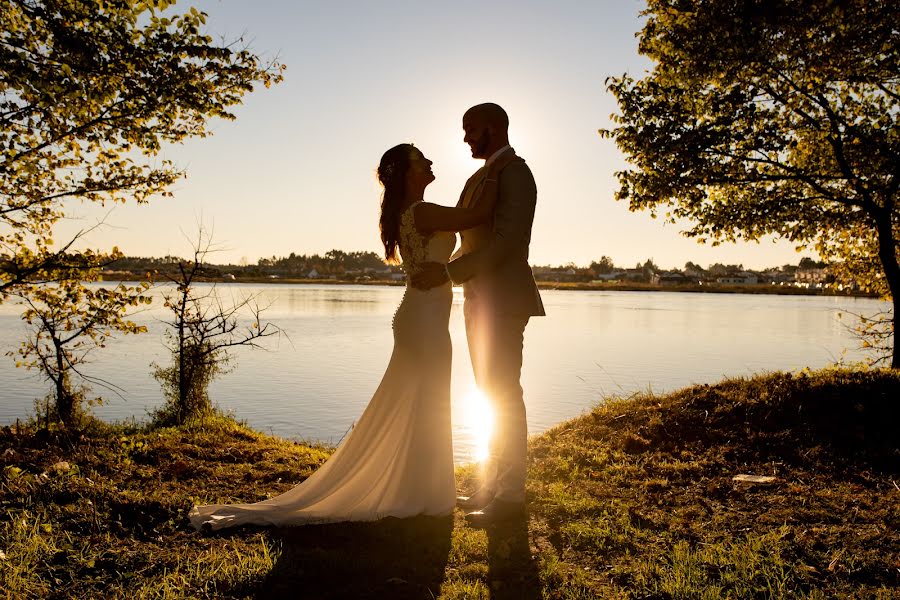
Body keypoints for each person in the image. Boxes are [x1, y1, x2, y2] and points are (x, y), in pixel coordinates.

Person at [189, 143, 512, 531]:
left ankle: (424, 490)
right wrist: (496, 168)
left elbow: (453, 245)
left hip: (420, 314)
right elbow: (477, 214)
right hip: (423, 319)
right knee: (428, 402)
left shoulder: (412, 212)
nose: (429, 163)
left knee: (424, 403)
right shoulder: (421, 212)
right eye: (421, 160)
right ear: (407, 172)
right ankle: (422, 494)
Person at [412, 103, 545, 527]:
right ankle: (491, 485)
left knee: (504, 396)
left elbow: (507, 242)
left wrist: (448, 273)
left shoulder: (517, 173)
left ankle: (509, 497)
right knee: (489, 396)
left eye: (470, 129)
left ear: (493, 127)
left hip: (504, 302)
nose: (465, 138)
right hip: (477, 301)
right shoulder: (480, 177)